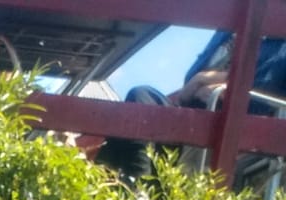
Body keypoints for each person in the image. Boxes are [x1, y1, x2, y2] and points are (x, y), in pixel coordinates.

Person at [97, 29, 286, 185]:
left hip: (233, 123)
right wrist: (196, 84)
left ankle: (132, 190)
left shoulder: (279, 39)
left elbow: (266, 88)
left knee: (135, 137)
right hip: (192, 111)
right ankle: (134, 186)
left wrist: (216, 83)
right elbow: (192, 77)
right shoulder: (227, 30)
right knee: (141, 97)